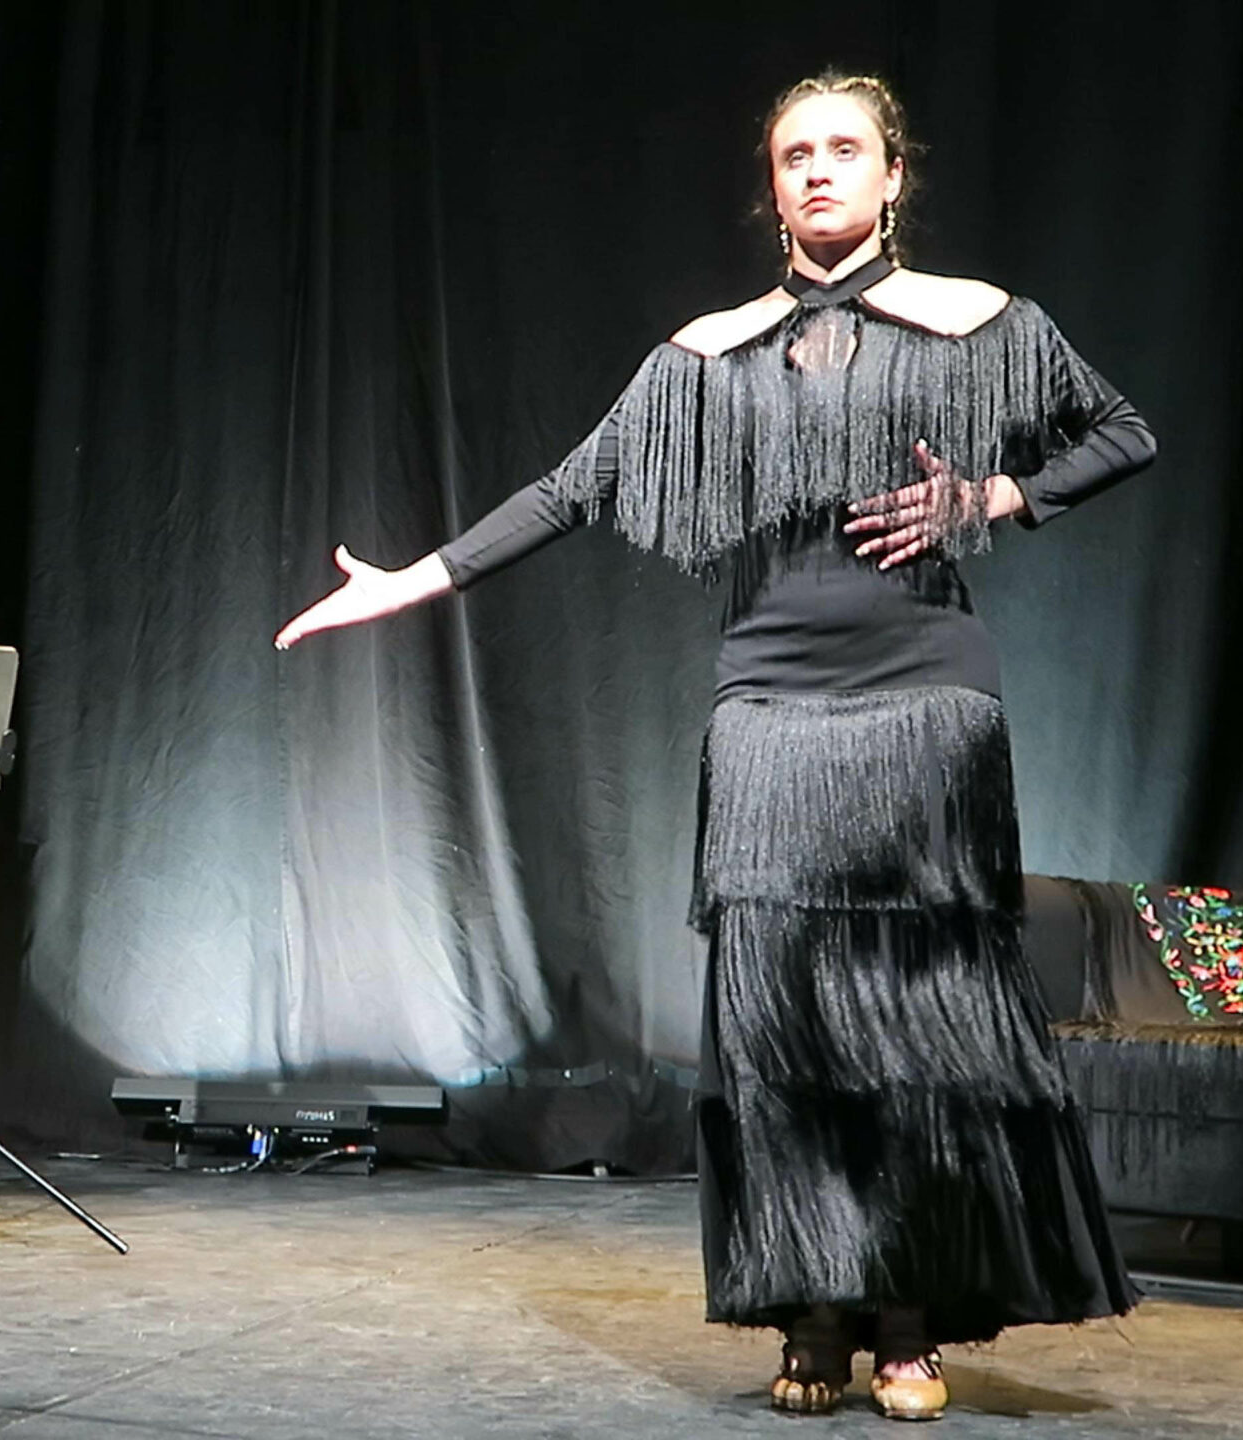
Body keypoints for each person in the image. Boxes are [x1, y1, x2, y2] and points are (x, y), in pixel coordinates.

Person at [275, 72, 1147, 1422]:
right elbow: (571, 489)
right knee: (780, 1027)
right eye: (795, 155)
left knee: (919, 1027)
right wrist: (413, 580)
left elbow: (1123, 432)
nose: (818, 170)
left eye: (845, 149)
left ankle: (907, 1319)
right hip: (769, 708)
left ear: (893, 177)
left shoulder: (979, 325)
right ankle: (810, 1312)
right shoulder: (709, 357)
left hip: (926, 703)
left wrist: (998, 492)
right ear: (771, 188)